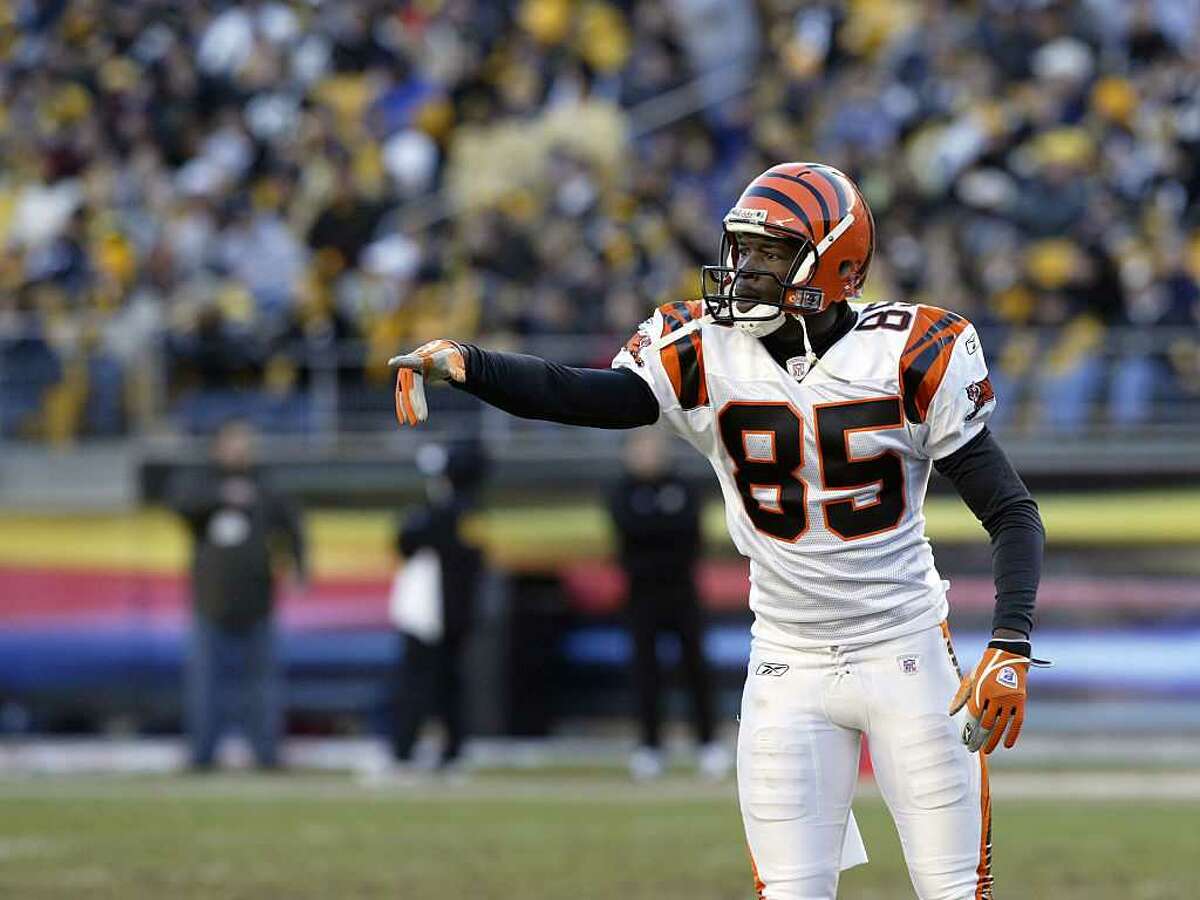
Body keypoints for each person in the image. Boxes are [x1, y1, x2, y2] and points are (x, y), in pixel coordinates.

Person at [390, 162, 1046, 899]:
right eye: (742, 249)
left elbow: (1011, 511)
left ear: (835, 264)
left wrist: (1011, 640)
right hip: (786, 665)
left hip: (908, 654)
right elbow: (584, 395)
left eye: (771, 253)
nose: (745, 270)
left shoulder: (910, 353)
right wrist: (472, 366)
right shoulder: (706, 350)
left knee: (957, 891)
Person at [166, 418, 306, 771]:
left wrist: (300, 567)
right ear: (218, 447)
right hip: (211, 603)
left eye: (245, 445)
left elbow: (292, 525)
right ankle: (201, 755)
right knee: (205, 688)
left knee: (262, 689)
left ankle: (266, 754)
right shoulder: (202, 482)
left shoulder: (266, 487)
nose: (240, 451)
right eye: (233, 444)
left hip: (258, 603)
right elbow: (180, 503)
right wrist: (221, 495)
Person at [608, 428, 728, 781]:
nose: (647, 454)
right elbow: (628, 533)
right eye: (640, 448)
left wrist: (654, 535)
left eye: (653, 447)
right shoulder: (621, 491)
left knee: (696, 670)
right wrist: (659, 533)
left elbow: (689, 534)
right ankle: (649, 747)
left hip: (682, 593)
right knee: (646, 672)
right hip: (641, 596)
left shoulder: (684, 488)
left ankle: (708, 743)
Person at [385, 442, 486, 777]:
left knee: (438, 682)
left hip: (447, 608)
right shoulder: (446, 511)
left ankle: (433, 749)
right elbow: (405, 541)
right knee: (431, 681)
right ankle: (416, 748)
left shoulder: (461, 511)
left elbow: (420, 537)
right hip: (435, 609)